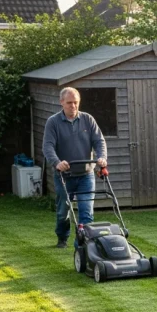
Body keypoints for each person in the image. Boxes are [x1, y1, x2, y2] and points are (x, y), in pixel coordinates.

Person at [42, 87, 108, 248]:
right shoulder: (53, 122)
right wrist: (57, 162)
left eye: (76, 103)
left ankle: (83, 244)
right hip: (64, 175)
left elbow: (99, 141)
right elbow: (47, 146)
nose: (73, 106)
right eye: (69, 103)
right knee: (63, 211)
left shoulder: (87, 119)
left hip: (86, 174)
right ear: (62, 102)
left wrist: (102, 158)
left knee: (86, 211)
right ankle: (62, 237)